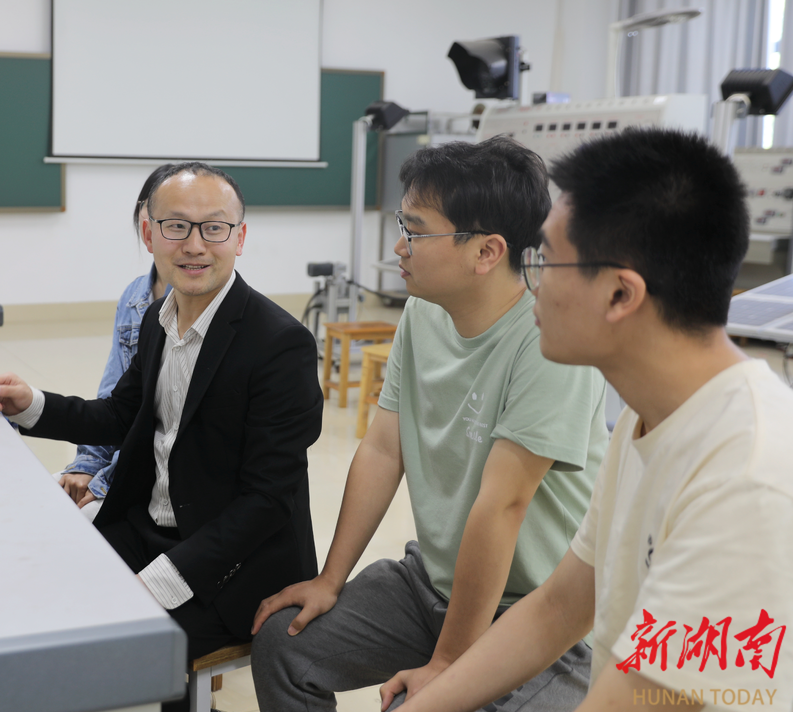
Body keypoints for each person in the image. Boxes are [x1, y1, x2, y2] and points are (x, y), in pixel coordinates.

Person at [389, 128, 793, 712]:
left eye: (547, 262)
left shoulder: (746, 476)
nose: (530, 287)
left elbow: (648, 698)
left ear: (620, 295)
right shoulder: (646, 421)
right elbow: (559, 609)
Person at [251, 137, 609, 712]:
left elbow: (502, 505)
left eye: (415, 232)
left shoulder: (549, 341)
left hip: (536, 614)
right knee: (284, 646)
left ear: (486, 251)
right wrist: (329, 579)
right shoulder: (424, 312)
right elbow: (382, 449)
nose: (400, 246)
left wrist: (448, 665)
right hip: (433, 583)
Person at [0, 162, 322, 710]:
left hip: (237, 563)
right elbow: (122, 415)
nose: (195, 245)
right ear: (149, 234)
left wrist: (159, 581)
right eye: (176, 226)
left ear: (239, 238)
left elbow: (266, 502)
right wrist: (33, 404)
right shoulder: (157, 319)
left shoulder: (281, 345)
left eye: (214, 227)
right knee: (39, 590)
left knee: (112, 645)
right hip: (154, 528)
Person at [55, 164, 174, 521]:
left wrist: (104, 481)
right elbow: (113, 399)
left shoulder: (196, 303)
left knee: (81, 521)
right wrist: (87, 464)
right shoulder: (134, 296)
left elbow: (165, 427)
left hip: (162, 473)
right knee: (51, 498)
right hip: (123, 462)